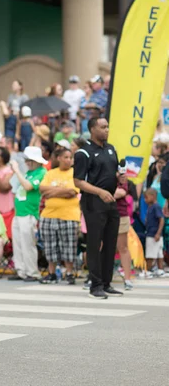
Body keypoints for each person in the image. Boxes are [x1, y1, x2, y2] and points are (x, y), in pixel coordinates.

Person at [73, 117, 122, 299]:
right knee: (94, 243)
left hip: (110, 201)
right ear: (93, 129)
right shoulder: (83, 153)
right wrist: (100, 192)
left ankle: (107, 283)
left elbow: (112, 173)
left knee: (110, 243)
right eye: (103, 127)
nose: (107, 130)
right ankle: (95, 286)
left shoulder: (111, 149)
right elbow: (78, 181)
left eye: (108, 126)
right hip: (93, 202)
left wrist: (120, 178)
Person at [38, 148, 80, 285]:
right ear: (59, 158)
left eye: (70, 157)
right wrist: (61, 191)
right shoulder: (50, 173)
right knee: (50, 246)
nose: (69, 160)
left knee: (69, 246)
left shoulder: (75, 173)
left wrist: (52, 192)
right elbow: (42, 189)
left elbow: (72, 192)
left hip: (69, 215)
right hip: (49, 214)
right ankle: (51, 273)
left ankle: (69, 273)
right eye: (66, 157)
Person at [10, 146, 47, 281]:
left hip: (29, 213)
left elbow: (28, 186)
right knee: (18, 243)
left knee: (28, 244)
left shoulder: (41, 172)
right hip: (19, 212)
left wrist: (17, 171)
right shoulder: (29, 172)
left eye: (28, 160)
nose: (26, 162)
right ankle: (21, 270)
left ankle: (32, 272)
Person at [115, 163, 134, 290]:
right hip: (104, 215)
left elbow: (119, 193)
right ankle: (99, 278)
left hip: (121, 215)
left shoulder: (123, 179)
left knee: (123, 247)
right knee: (103, 246)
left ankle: (127, 279)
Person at [143, 189, 166, 278]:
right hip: (156, 234)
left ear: (153, 196)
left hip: (153, 234)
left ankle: (148, 271)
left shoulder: (156, 207)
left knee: (150, 254)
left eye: (146, 197)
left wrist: (158, 233)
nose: (145, 200)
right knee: (159, 253)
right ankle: (160, 270)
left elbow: (161, 219)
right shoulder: (151, 207)